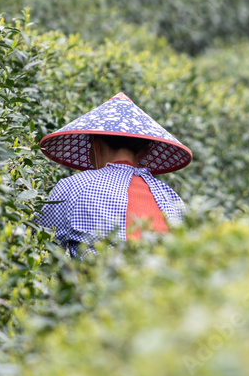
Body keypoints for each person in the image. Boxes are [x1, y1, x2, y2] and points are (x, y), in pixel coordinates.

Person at [37, 92, 192, 258]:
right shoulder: (171, 198)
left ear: (94, 143)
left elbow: (39, 249)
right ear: (144, 151)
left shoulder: (75, 187)